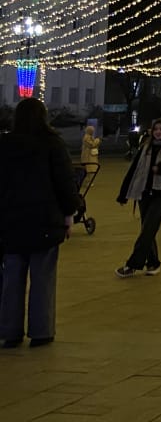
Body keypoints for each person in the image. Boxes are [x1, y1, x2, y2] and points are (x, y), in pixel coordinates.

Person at [0, 98, 79, 348]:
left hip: (10, 221)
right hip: (45, 220)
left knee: (11, 278)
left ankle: (9, 331)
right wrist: (70, 212)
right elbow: (64, 182)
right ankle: (41, 331)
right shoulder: (52, 144)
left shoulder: (5, 144)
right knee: (43, 277)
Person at [115, 119, 161, 277]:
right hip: (144, 193)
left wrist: (159, 169)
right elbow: (133, 170)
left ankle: (132, 265)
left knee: (148, 229)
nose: (158, 132)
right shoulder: (145, 147)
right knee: (147, 229)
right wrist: (123, 194)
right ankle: (153, 262)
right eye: (155, 129)